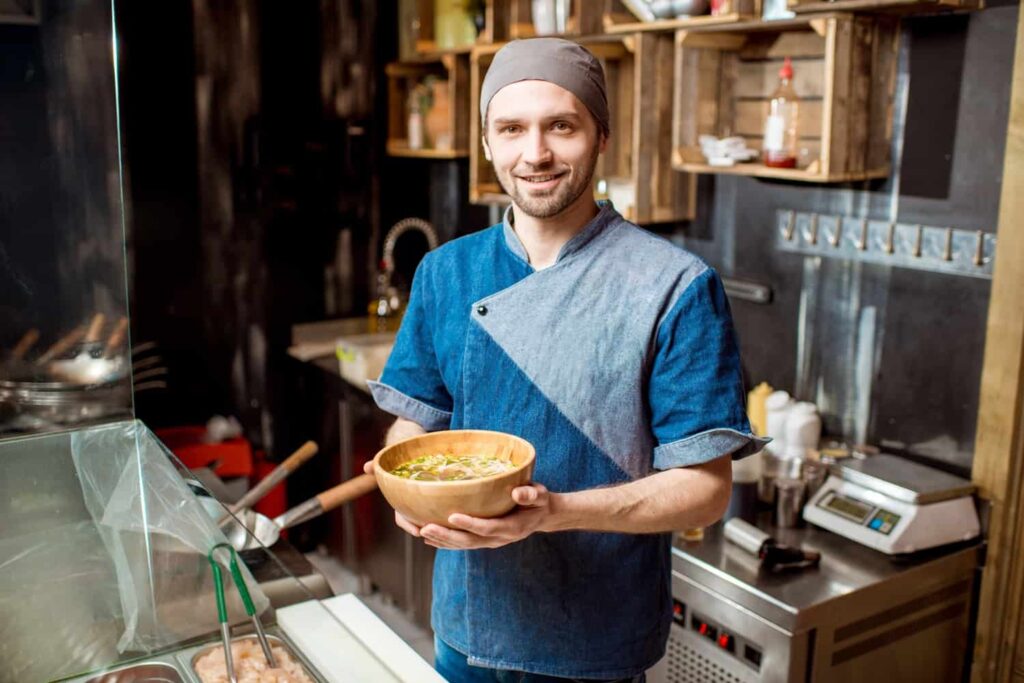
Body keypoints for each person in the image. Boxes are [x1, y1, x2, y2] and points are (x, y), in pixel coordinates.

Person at [365, 37, 766, 683]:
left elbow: (704, 490)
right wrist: (406, 485)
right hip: (466, 625)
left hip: (595, 637)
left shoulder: (672, 285)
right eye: (512, 129)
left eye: (561, 126)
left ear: (601, 135)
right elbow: (415, 420)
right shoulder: (445, 271)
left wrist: (557, 512)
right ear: (488, 143)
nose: (536, 153)